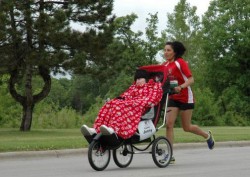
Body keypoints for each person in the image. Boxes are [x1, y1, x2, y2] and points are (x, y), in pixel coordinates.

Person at [160, 41, 215, 164]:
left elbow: (191, 79)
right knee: (169, 124)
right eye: (164, 50)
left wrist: (181, 87)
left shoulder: (180, 63)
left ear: (175, 52)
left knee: (187, 127)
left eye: (168, 50)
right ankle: (170, 155)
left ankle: (207, 136)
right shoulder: (164, 65)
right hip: (173, 98)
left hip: (185, 97)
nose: (166, 52)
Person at [81, 69, 163, 139]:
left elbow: (153, 99)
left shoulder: (152, 87)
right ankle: (96, 129)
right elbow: (125, 95)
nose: (137, 81)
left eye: (140, 79)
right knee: (110, 103)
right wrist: (119, 100)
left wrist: (136, 102)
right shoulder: (133, 87)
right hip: (129, 104)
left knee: (119, 106)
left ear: (146, 79)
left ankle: (114, 128)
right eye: (136, 79)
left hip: (140, 107)